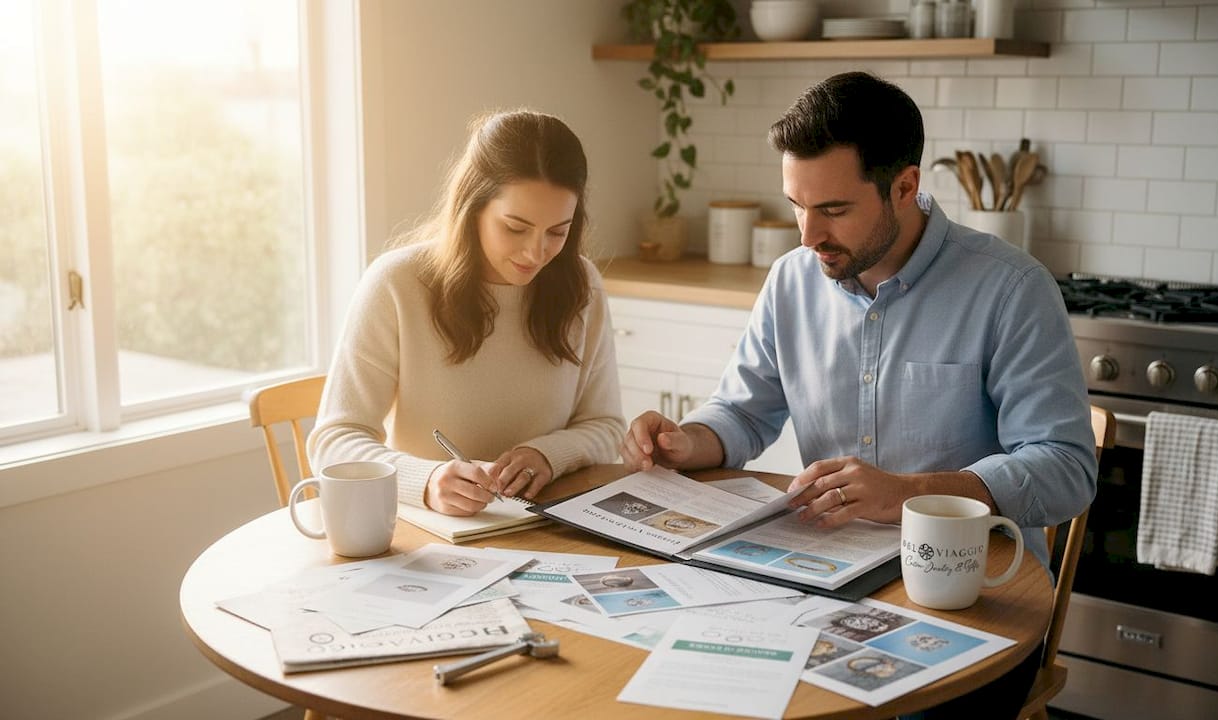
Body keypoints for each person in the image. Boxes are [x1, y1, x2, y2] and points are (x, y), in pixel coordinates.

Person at [619, 72, 1097, 719]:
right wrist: (687, 440)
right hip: (821, 586)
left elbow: (1067, 466)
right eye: (796, 204)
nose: (807, 234)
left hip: (973, 601)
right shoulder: (791, 283)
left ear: (905, 186)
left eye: (834, 210)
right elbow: (741, 411)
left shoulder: (1011, 289)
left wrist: (909, 493)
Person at [310, 109, 625, 516]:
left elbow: (607, 426)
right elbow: (334, 439)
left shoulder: (581, 285)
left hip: (544, 528)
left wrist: (549, 454)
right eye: (515, 228)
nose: (536, 253)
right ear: (472, 207)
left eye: (557, 232)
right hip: (425, 536)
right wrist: (425, 481)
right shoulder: (397, 283)